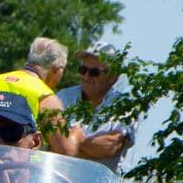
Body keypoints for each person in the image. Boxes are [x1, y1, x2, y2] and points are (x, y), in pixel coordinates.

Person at [0, 36, 82, 157]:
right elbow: (66, 151)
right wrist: (76, 135)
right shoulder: (45, 97)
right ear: (56, 69)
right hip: (17, 174)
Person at [55, 41, 136, 173]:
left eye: (94, 72)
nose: (86, 76)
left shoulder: (124, 106)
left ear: (113, 77)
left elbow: (112, 146)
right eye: (83, 70)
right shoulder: (63, 97)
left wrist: (74, 140)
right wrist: (90, 148)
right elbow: (52, 144)